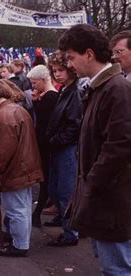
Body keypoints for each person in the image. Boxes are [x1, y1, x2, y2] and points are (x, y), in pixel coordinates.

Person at [59, 24, 131, 275]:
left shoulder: (115, 89)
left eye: (71, 57)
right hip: (106, 198)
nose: (69, 64)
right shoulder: (102, 88)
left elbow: (119, 147)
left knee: (117, 269)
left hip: (112, 201)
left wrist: (92, 182)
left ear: (89, 53)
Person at [0, 80, 43, 257]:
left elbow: (3, 150)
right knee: (21, 207)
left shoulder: (4, 115)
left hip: (15, 169)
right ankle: (16, 238)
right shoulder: (15, 109)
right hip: (23, 166)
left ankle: (20, 245)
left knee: (17, 209)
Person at [45, 51, 83, 247]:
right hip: (60, 146)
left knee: (66, 191)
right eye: (54, 71)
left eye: (60, 70)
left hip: (67, 148)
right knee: (57, 188)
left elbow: (74, 125)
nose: (57, 74)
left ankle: (71, 232)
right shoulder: (65, 90)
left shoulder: (74, 92)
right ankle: (67, 224)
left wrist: (56, 140)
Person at [27, 65, 59, 228]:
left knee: (46, 179)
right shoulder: (48, 96)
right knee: (47, 179)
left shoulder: (50, 97)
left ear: (42, 80)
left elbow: (44, 119)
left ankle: (38, 212)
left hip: (46, 144)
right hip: (45, 143)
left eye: (34, 83)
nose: (33, 86)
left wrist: (35, 102)